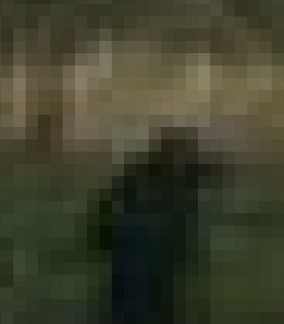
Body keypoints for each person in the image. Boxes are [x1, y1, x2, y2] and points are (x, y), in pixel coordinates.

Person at [87, 126, 228, 324]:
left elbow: (100, 234)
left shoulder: (134, 184)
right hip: (147, 282)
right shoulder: (175, 195)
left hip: (133, 281)